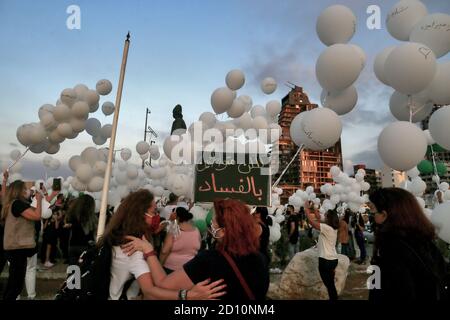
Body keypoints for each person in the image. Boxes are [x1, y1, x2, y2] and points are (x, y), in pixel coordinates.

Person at [122, 198, 270, 300]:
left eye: (213, 224)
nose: (210, 227)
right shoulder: (260, 259)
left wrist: (149, 250)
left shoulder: (211, 260)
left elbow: (162, 283)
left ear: (224, 231)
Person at [100, 189, 225, 300]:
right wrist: (190, 295)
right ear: (140, 214)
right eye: (154, 212)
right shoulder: (134, 249)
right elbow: (150, 292)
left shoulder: (120, 237)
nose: (157, 216)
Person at [368, 188, 448, 301]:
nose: (372, 216)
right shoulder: (425, 241)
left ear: (385, 214)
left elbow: (394, 290)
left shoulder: (391, 248)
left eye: (372, 211)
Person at [1, 177, 56, 300]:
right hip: (17, 249)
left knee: (14, 283)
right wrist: (40, 198)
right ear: (19, 191)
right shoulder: (17, 204)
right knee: (15, 284)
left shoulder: (14, 203)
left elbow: (36, 209)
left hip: (16, 248)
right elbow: (37, 215)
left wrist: (49, 196)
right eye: (25, 189)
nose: (28, 191)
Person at [305, 203, 340, 300]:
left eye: (325, 215)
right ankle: (334, 297)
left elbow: (312, 222)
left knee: (330, 286)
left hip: (325, 260)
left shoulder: (326, 228)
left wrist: (307, 211)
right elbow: (319, 218)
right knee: (331, 284)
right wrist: (314, 209)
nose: (323, 215)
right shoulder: (333, 228)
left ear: (329, 218)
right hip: (333, 260)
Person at [160, 207, 201, 274]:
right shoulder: (196, 231)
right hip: (190, 268)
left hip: (171, 268)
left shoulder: (173, 230)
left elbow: (164, 251)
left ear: (176, 217)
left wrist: (160, 265)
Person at [65, 194, 98, 265]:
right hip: (87, 246)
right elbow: (94, 231)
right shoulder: (91, 217)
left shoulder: (72, 214)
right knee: (85, 271)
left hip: (73, 245)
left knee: (73, 272)